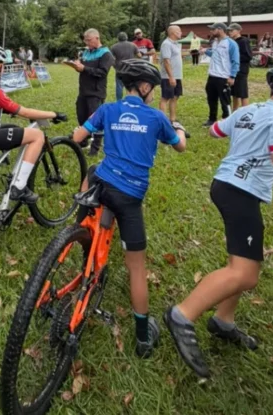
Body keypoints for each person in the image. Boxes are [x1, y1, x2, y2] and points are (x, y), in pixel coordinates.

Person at [165, 62, 273, 379]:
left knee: (246, 262)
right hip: (241, 192)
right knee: (245, 274)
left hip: (226, 185)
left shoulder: (250, 110)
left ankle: (224, 321)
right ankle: (182, 314)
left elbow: (215, 130)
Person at [72, 58, 187, 358]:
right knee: (137, 268)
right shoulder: (156, 116)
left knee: (94, 170)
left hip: (104, 183)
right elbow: (179, 146)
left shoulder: (109, 109)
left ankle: (80, 226)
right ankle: (142, 338)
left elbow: (78, 136)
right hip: (130, 195)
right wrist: (179, 128)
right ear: (146, 86)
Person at [0, 44, 66, 213]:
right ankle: (19, 187)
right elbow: (24, 111)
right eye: (2, 65)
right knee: (37, 136)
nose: (3, 68)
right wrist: (52, 114)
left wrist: (5, 111)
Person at [72, 29, 115, 156]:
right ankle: (83, 140)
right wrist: (78, 66)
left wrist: (84, 68)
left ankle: (95, 147)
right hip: (83, 90)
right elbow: (84, 68)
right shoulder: (86, 52)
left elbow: (102, 73)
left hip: (96, 92)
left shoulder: (106, 54)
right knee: (81, 115)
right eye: (85, 40)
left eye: (89, 40)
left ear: (97, 38)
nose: (87, 42)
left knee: (96, 119)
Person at [201, 22, 239, 127]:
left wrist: (232, 76)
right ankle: (212, 119)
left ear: (220, 29)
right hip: (212, 75)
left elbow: (235, 61)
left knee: (225, 100)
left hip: (224, 77)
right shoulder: (215, 42)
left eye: (213, 29)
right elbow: (215, 53)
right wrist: (205, 52)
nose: (211, 31)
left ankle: (227, 120)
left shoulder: (231, 43)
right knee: (211, 99)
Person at [159, 25, 184, 124]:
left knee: (175, 96)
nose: (181, 33)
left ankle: (172, 119)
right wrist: (171, 77)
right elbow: (166, 61)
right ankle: (162, 120)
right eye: (179, 31)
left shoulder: (176, 44)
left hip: (177, 76)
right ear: (174, 33)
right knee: (166, 97)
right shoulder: (166, 44)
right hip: (168, 77)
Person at [228, 23, 252, 111]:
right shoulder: (232, 42)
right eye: (229, 31)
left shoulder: (243, 41)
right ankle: (235, 111)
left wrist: (234, 58)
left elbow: (248, 56)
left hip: (241, 69)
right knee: (234, 92)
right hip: (233, 70)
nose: (230, 32)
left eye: (232, 30)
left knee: (242, 92)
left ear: (238, 31)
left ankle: (245, 111)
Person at [110, 32, 139, 101]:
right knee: (130, 86)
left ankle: (119, 101)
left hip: (119, 69)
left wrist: (115, 66)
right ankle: (130, 100)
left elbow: (110, 59)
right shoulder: (133, 45)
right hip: (131, 69)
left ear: (118, 38)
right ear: (126, 37)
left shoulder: (114, 47)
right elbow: (139, 55)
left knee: (119, 87)